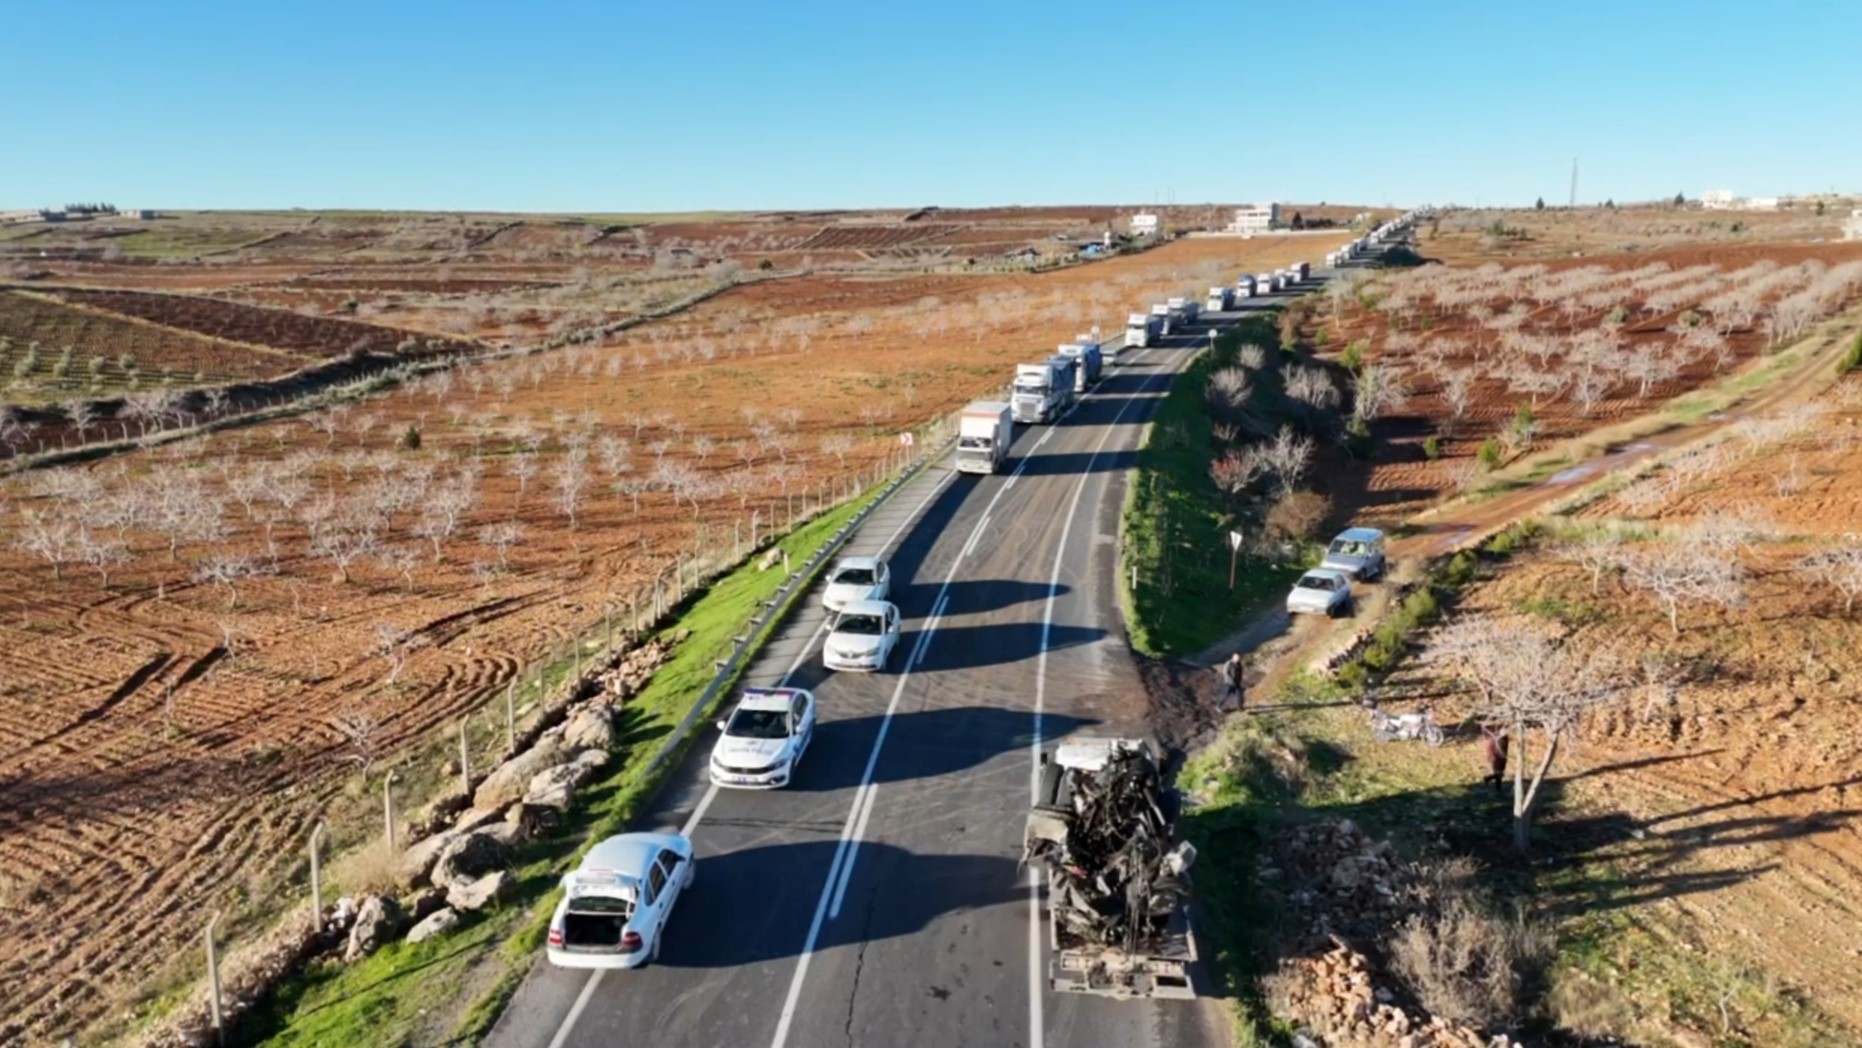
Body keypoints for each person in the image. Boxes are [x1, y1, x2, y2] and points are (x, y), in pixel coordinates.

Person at [1481, 723, 1510, 794]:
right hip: (1497, 757)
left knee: (1500, 773)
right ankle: (1492, 782)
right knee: (1499, 773)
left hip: (1501, 757)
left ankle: (1493, 783)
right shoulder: (1497, 739)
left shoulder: (1504, 738)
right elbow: (1494, 748)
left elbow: (1504, 748)